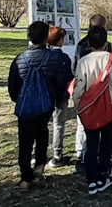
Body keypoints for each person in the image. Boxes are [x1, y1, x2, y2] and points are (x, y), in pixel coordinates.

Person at [8, 21, 74, 190]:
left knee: (25, 141)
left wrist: (21, 100)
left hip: (25, 108)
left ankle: (25, 178)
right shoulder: (53, 58)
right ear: (46, 37)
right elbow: (61, 84)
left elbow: (13, 86)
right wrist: (56, 98)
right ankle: (38, 171)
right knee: (42, 135)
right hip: (45, 106)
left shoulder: (19, 59)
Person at [73, 26, 112, 194]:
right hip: (110, 107)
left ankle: (91, 179)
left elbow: (78, 89)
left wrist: (78, 107)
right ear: (106, 42)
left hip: (90, 109)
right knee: (107, 142)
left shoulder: (83, 61)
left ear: (88, 42)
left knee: (91, 142)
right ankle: (103, 175)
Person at [73, 14, 112, 170]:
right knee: (101, 125)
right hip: (101, 91)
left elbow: (74, 67)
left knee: (82, 125)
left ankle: (81, 153)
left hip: (84, 90)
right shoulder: (106, 45)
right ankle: (95, 156)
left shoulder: (80, 44)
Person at [46, 26, 72, 167]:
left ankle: (37, 153)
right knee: (58, 124)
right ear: (61, 40)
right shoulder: (63, 58)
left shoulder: (44, 56)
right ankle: (57, 154)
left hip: (45, 95)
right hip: (61, 95)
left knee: (42, 124)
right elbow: (69, 76)